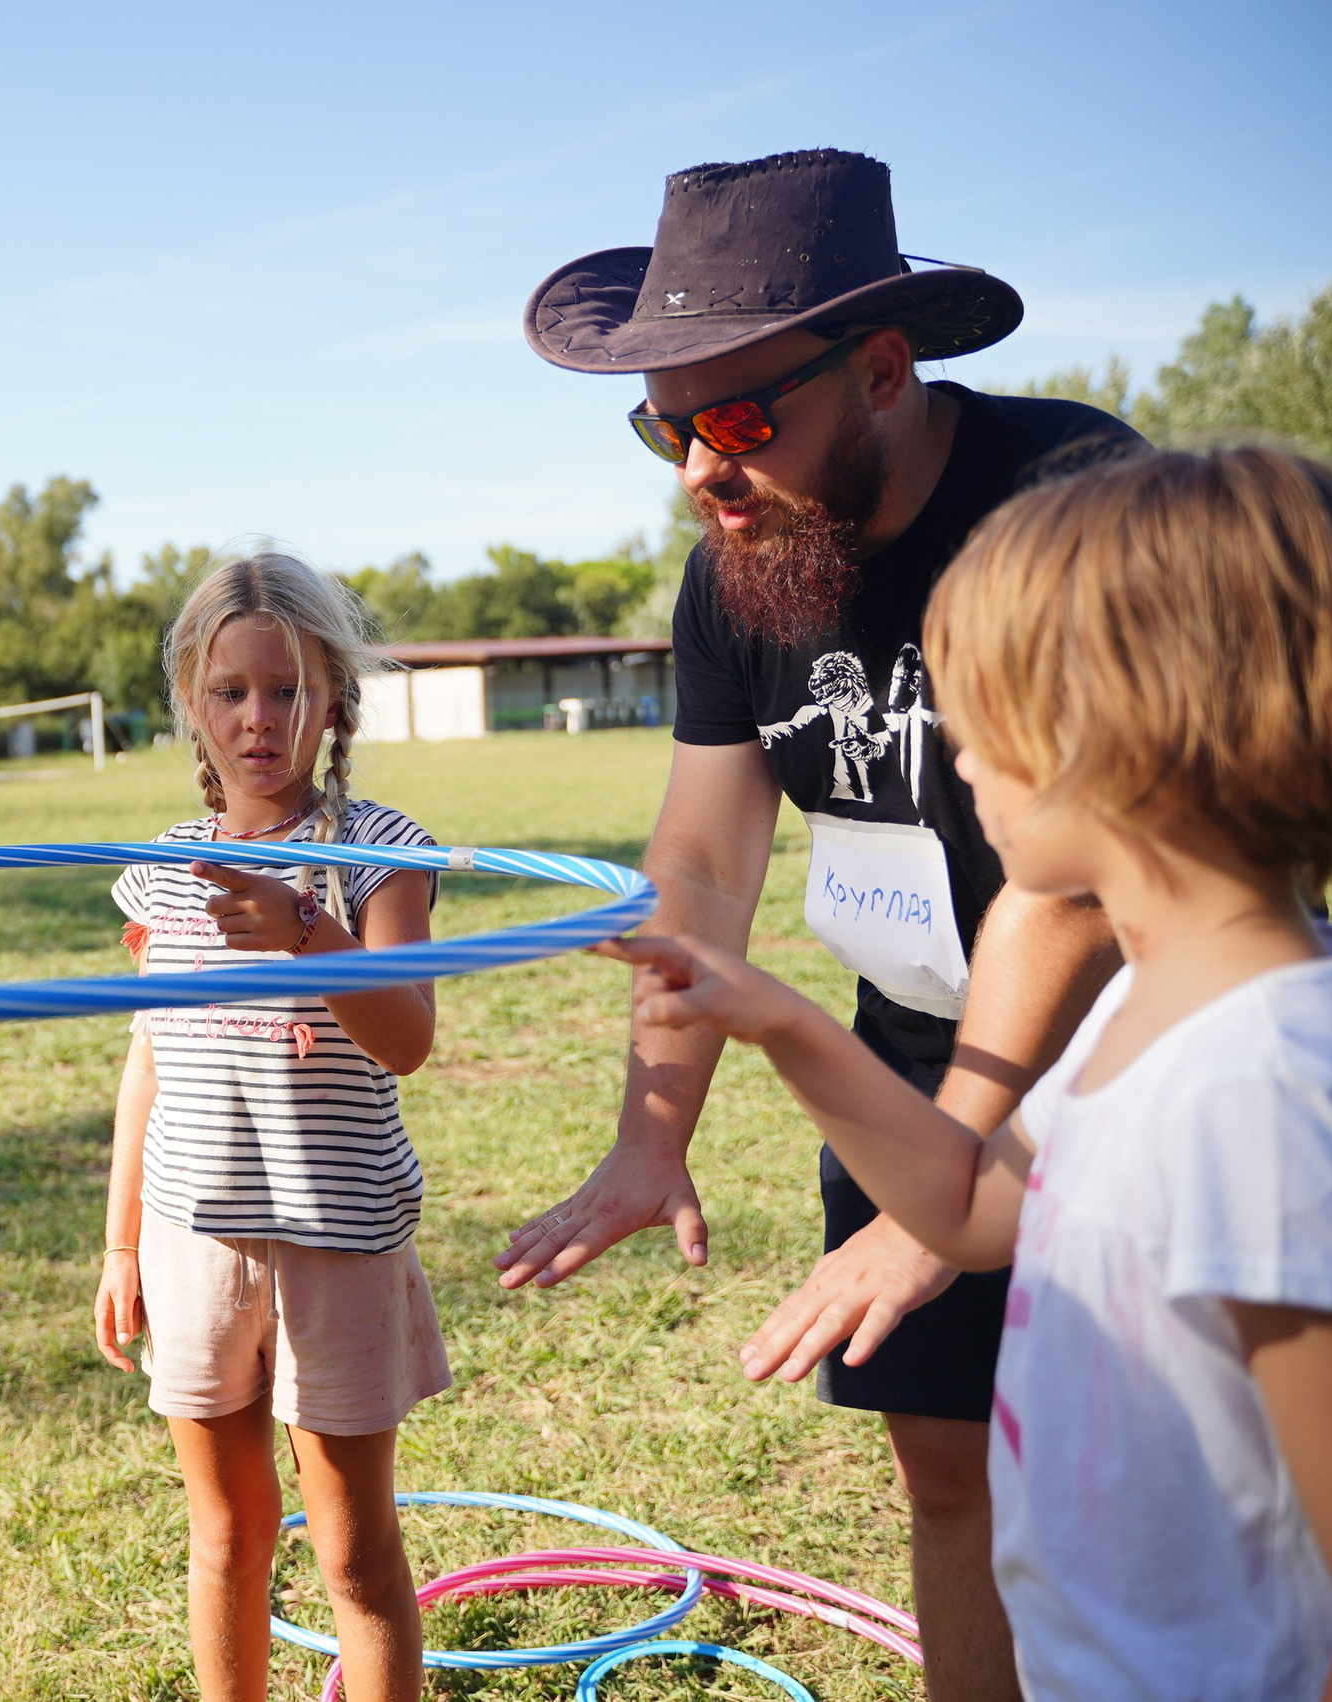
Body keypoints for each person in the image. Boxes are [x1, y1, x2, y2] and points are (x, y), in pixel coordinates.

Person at [496, 148, 1140, 1698]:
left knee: (1139, 1483)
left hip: (1126, 1067)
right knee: (944, 1474)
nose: (699, 470)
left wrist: (962, 1167)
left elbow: (1095, 877)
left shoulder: (1070, 507)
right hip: (903, 1058)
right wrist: (653, 1135)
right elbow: (702, 869)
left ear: (883, 369)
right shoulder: (736, 575)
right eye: (665, 425)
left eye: (738, 419)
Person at [603, 445, 1332, 1701]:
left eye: (991, 709)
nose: (954, 752)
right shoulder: (1139, 1014)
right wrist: (786, 1025)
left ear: (1129, 733)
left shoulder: (1268, 1091)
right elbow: (970, 1209)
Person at [93, 551, 447, 1702]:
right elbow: (147, 1056)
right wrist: (119, 1243)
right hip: (195, 1242)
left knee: (351, 1549)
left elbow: (404, 1036)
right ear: (191, 704)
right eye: (231, 692)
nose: (259, 720)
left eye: (288, 690)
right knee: (229, 1537)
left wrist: (308, 928)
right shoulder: (160, 874)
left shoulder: (379, 852)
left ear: (334, 700)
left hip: (336, 1238)